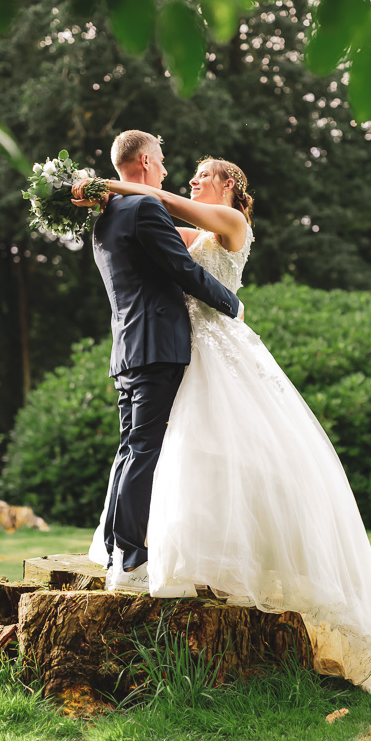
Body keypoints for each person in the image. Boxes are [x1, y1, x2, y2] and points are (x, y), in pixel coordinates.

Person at [78, 153, 371, 701]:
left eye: (203, 175)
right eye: (189, 174)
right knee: (184, 452)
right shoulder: (190, 225)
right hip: (185, 348)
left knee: (230, 446)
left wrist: (111, 183)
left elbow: (163, 204)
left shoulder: (232, 223)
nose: (192, 180)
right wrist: (104, 200)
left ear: (228, 184)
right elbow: (149, 229)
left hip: (217, 343)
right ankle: (163, 550)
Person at [73, 131, 241, 595]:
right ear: (145, 160)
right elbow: (184, 271)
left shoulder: (104, 219)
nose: (168, 169)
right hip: (157, 347)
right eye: (163, 160)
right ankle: (130, 561)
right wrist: (234, 305)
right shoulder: (144, 208)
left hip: (128, 348)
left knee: (132, 448)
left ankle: (115, 551)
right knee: (144, 451)